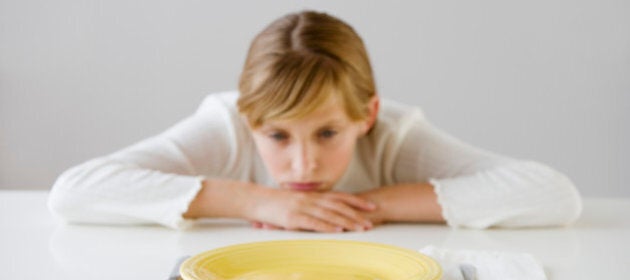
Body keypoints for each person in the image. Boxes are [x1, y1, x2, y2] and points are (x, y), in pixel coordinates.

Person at [48, 10, 582, 232]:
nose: (304, 163)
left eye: (328, 133)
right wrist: (260, 201)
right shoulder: (227, 123)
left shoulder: (394, 133)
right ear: (247, 116)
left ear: (366, 114)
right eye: (277, 136)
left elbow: (553, 195)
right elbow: (75, 192)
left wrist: (368, 206)